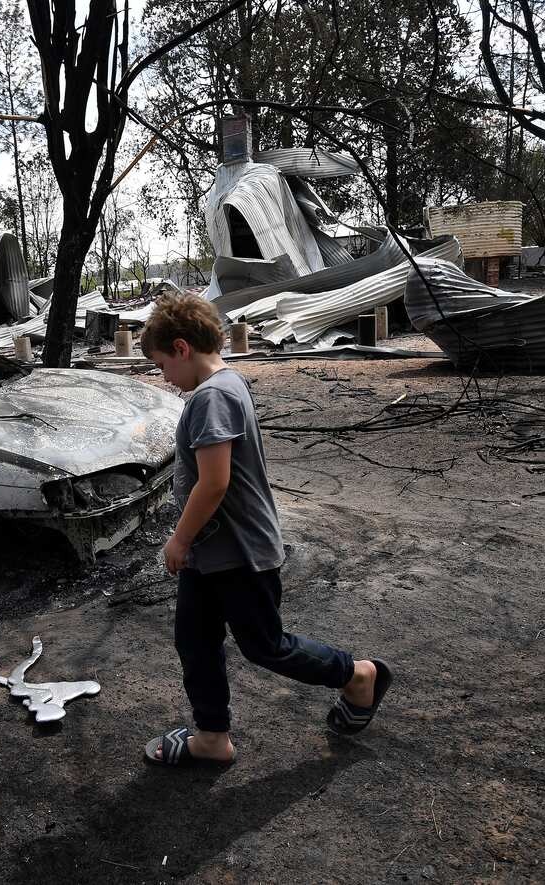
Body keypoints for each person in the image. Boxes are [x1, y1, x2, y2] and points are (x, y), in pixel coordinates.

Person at [140, 293, 393, 768]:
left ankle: (357, 676)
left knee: (265, 646)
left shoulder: (214, 396)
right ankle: (212, 736)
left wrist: (179, 538)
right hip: (211, 554)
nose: (165, 380)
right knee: (194, 641)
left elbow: (215, 483)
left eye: (161, 367)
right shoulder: (226, 384)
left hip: (238, 554)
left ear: (180, 348)